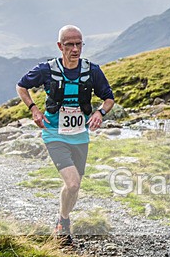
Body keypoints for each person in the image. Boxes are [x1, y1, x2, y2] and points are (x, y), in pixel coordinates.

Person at [16, 25, 114, 245]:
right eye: (69, 44)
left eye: (79, 43)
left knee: (75, 185)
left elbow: (109, 98)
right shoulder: (47, 69)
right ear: (60, 46)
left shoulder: (92, 71)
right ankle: (64, 224)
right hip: (54, 134)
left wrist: (100, 112)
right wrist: (33, 108)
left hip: (80, 136)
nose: (75, 49)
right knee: (71, 183)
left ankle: (62, 219)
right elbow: (21, 86)